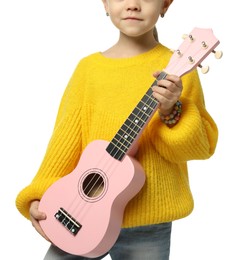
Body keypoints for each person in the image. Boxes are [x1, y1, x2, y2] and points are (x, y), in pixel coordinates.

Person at [15, 0, 218, 259]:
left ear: (165, 5)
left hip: (148, 222)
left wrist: (171, 111)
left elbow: (199, 148)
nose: (132, 5)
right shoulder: (88, 70)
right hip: (78, 213)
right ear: (105, 4)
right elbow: (64, 141)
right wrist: (37, 194)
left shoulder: (178, 70)